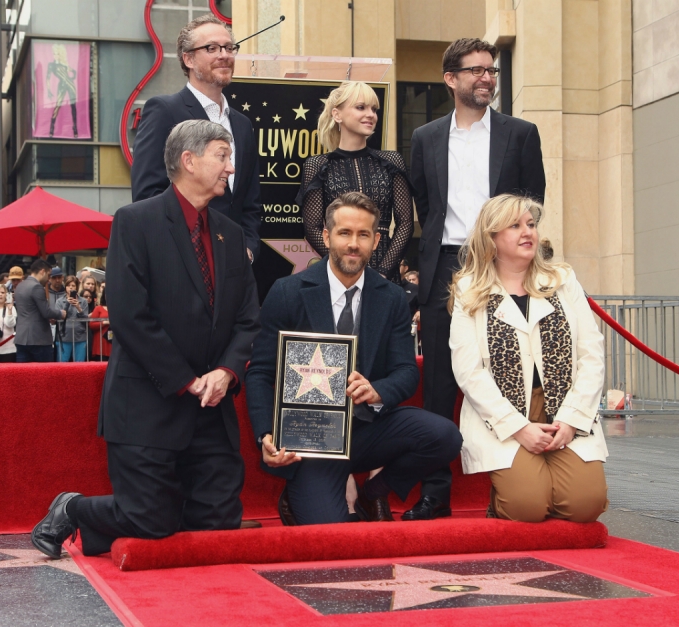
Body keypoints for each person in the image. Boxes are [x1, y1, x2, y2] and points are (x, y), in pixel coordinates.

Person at [32, 119, 261, 558]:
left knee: (217, 524)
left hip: (211, 408)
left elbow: (249, 318)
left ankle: (121, 527)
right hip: (148, 404)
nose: (231, 167)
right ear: (189, 161)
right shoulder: (135, 222)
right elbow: (131, 317)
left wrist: (227, 371)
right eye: (222, 155)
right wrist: (187, 380)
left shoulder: (231, 234)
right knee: (151, 522)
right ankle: (73, 509)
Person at [245, 192, 462, 526]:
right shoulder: (287, 292)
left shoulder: (390, 297)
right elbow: (260, 372)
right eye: (345, 233)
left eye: (363, 235)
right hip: (311, 440)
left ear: (376, 241)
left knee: (445, 436)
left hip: (367, 430)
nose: (353, 244)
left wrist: (377, 390)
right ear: (327, 235)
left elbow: (406, 371)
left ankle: (374, 492)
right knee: (332, 533)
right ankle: (299, 495)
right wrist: (265, 435)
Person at [407, 38, 547, 521]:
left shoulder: (521, 133)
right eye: (476, 71)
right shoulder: (425, 137)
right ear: (451, 79)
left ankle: (509, 491)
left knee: (509, 375)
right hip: (445, 265)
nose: (487, 78)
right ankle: (435, 492)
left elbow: (532, 207)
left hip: (503, 264)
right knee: (442, 385)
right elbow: (425, 207)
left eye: (492, 71)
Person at [450, 194, 608, 522]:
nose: (528, 232)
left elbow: (592, 354)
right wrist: (519, 428)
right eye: (515, 225)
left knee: (585, 506)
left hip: (562, 409)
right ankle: (516, 492)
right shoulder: (470, 290)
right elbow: (468, 372)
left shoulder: (563, 282)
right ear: (491, 237)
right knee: (528, 508)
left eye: (532, 225)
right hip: (505, 413)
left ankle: (552, 480)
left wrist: (571, 420)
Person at [130, 14, 261, 261]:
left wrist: (249, 249)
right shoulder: (164, 111)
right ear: (188, 58)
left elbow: (250, 203)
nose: (224, 55)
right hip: (182, 262)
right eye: (211, 48)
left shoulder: (242, 125)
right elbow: (147, 194)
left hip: (234, 269)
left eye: (229, 47)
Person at [298, 81, 413, 283]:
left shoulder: (391, 162)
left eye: (374, 109)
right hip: (339, 274)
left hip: (386, 274)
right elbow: (312, 228)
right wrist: (344, 264)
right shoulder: (317, 165)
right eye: (361, 107)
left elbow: (405, 223)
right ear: (337, 114)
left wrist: (383, 271)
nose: (370, 114)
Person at [14, 260, 66, 363]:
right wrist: (60, 313)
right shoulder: (36, 287)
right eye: (49, 274)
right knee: (44, 375)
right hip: (38, 338)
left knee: (23, 374)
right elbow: (46, 311)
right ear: (42, 271)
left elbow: (31, 309)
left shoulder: (20, 285)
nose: (48, 279)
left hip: (21, 337)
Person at [54, 275, 88, 362]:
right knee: (62, 365)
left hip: (80, 337)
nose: (71, 288)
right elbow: (59, 316)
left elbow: (86, 320)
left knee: (80, 366)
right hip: (64, 336)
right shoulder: (59, 301)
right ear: (65, 287)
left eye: (73, 286)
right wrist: (67, 304)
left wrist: (78, 307)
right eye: (68, 286)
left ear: (77, 287)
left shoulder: (83, 301)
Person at [88, 291, 111, 362]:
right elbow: (91, 325)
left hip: (112, 343)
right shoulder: (98, 308)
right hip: (100, 343)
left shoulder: (118, 308)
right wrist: (104, 322)